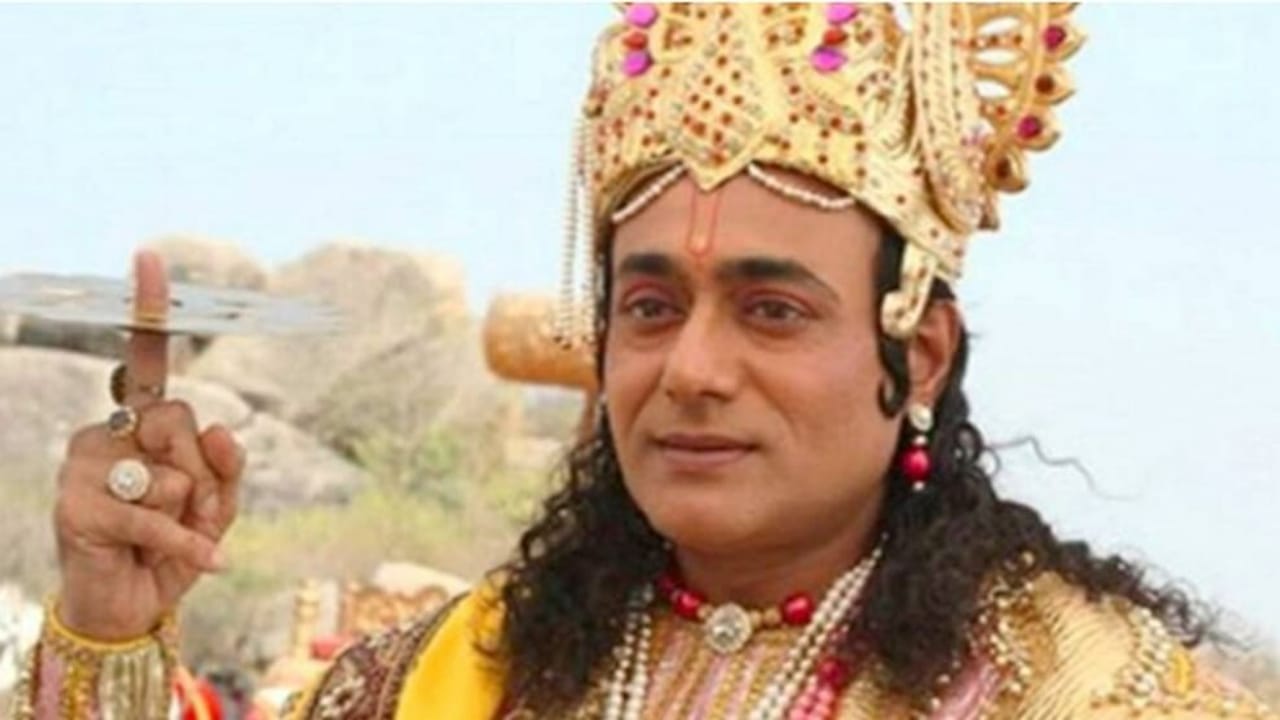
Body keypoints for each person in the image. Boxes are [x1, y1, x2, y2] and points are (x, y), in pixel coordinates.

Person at [10, 3, 1277, 719]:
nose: (691, 369)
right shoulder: (457, 674)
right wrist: (112, 621)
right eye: (651, 305)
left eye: (770, 311)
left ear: (919, 352)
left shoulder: (1080, 689)